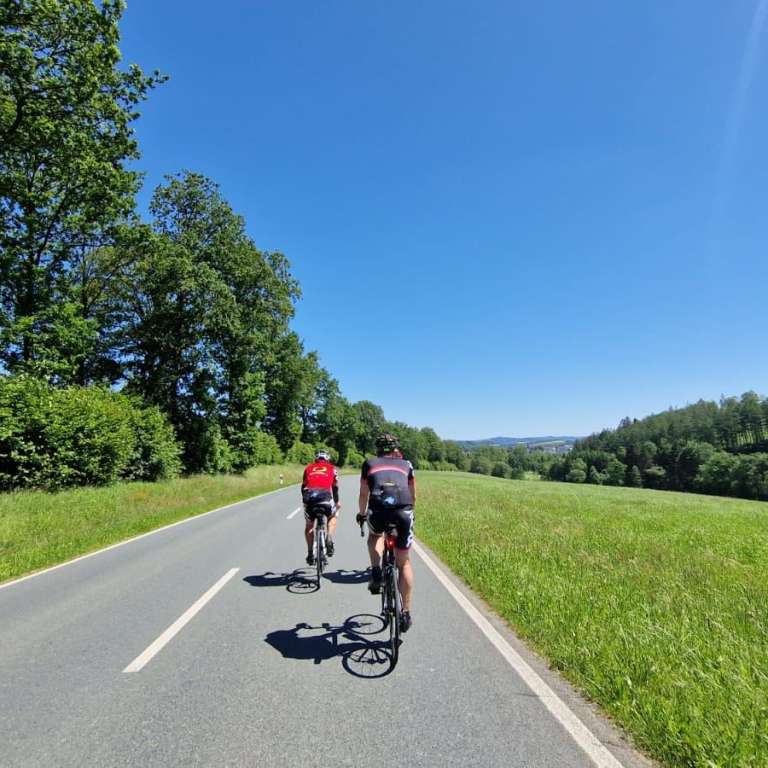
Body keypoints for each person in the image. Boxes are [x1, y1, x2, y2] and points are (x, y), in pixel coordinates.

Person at [356, 433, 416, 633]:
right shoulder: (407, 464)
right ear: (395, 448)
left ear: (378, 449)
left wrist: (362, 514)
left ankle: (376, 571)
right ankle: (406, 612)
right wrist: (409, 512)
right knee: (404, 562)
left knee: (375, 536)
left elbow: (363, 493)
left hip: (379, 510)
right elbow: (413, 494)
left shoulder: (369, 463)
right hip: (403, 511)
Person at [301, 450, 340, 565]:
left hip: (310, 498)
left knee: (309, 526)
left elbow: (303, 487)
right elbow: (335, 488)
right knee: (333, 516)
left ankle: (310, 553)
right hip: (325, 498)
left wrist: (305, 501)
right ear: (327, 459)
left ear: (316, 459)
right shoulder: (332, 468)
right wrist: (336, 502)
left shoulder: (308, 468)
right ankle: (329, 536)